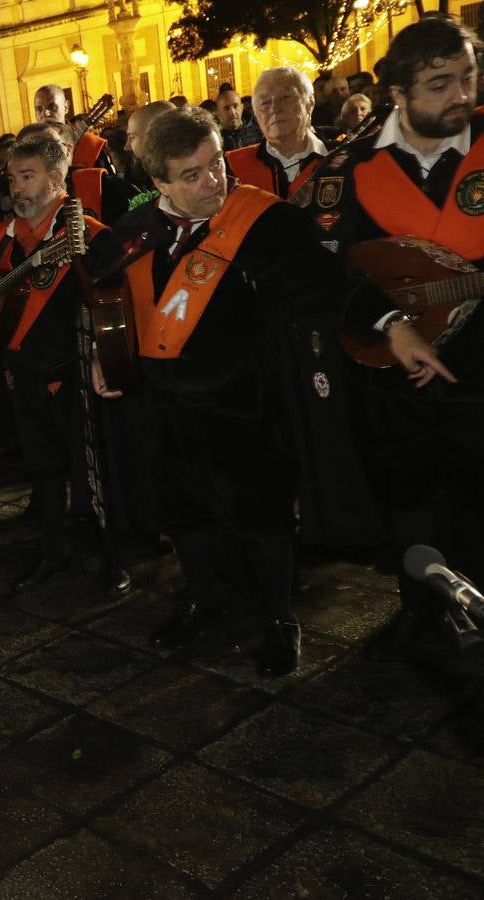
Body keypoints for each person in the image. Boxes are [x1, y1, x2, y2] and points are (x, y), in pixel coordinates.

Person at [89, 106, 366, 676]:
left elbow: (327, 284)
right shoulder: (136, 229)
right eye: (191, 175)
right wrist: (103, 352)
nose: (213, 181)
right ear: (158, 183)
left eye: (215, 163)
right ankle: (203, 601)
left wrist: (389, 323)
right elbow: (104, 287)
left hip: (245, 403)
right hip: (164, 404)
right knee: (184, 513)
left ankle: (278, 618)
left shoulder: (264, 220)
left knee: (261, 516)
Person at [310, 15, 484, 658]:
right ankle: (419, 613)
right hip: (391, 373)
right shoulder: (349, 171)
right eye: (439, 84)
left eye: (467, 78)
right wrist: (394, 325)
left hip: (480, 371)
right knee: (406, 497)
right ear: (399, 96)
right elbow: (333, 270)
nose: (460, 95)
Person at [0, 139, 127, 591]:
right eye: (12, 178)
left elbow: (113, 305)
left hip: (81, 373)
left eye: (28, 176)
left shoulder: (91, 235)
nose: (18, 187)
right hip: (25, 373)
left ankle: (114, 558)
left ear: (57, 179)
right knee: (42, 469)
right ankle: (53, 551)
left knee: (100, 465)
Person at [226, 67, 329, 202]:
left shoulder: (340, 158)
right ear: (256, 114)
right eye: (265, 102)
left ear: (310, 102)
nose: (275, 108)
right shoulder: (233, 168)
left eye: (286, 97)